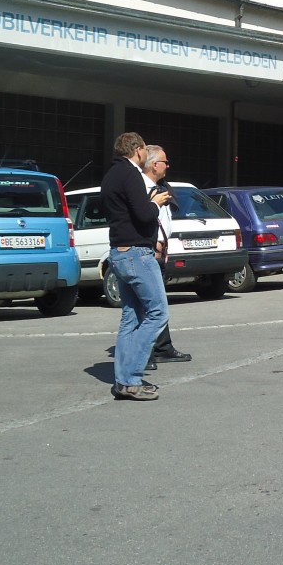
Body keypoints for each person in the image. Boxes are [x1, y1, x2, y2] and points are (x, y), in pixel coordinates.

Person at [100, 132, 173, 401]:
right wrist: (154, 203)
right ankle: (131, 378)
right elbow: (143, 213)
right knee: (158, 313)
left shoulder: (110, 175)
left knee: (131, 317)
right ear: (139, 150)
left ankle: (123, 379)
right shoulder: (130, 174)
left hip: (118, 252)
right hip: (136, 253)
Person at [142, 145, 190, 365]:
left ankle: (162, 347)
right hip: (148, 251)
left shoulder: (161, 187)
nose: (168, 166)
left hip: (161, 252)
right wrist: (154, 245)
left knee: (159, 302)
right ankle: (146, 352)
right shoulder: (142, 188)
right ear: (154, 165)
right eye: (165, 162)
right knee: (147, 304)